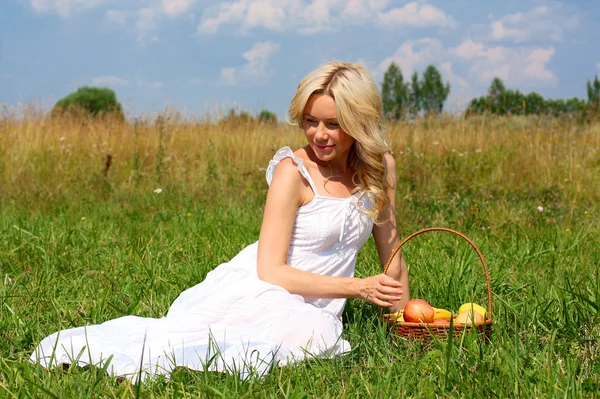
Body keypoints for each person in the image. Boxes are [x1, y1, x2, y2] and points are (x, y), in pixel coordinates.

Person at [30, 61, 410, 381]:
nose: (318, 134)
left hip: (320, 303)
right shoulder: (293, 172)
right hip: (268, 289)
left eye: (333, 124)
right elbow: (271, 270)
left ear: (359, 123)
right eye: (310, 121)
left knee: (311, 330)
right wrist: (357, 288)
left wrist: (405, 329)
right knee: (262, 342)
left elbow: (392, 257)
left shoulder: (379, 168)